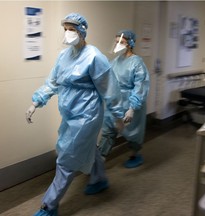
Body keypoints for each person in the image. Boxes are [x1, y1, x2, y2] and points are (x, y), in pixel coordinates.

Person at [25, 13, 124, 216]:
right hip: (70, 113)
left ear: (82, 31)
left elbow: (110, 89)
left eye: (72, 29)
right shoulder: (64, 56)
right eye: (66, 29)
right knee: (87, 148)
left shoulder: (95, 57)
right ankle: (99, 179)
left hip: (87, 114)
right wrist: (36, 101)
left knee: (67, 158)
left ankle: (49, 206)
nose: (68, 33)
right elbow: (53, 82)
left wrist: (119, 115)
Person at [97, 29, 150, 168]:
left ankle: (135, 154)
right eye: (116, 42)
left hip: (131, 103)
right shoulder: (115, 61)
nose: (118, 44)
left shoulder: (137, 63)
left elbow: (140, 86)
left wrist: (132, 108)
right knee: (108, 130)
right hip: (115, 103)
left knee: (133, 132)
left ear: (130, 43)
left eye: (122, 42)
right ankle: (99, 162)